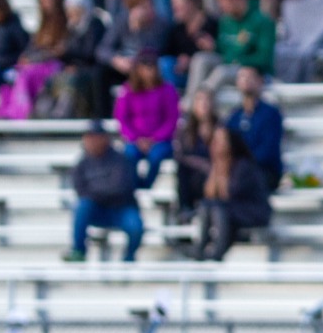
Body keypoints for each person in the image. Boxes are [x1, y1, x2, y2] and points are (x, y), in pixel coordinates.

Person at [64, 121, 142, 263]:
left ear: (105, 138)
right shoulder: (82, 163)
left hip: (121, 208)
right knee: (82, 206)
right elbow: (80, 189)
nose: (91, 142)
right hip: (97, 210)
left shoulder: (121, 159)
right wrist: (101, 193)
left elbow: (121, 188)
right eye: (89, 138)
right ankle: (78, 250)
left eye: (95, 137)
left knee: (135, 226)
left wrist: (95, 193)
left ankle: (129, 257)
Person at [191, 126, 270, 261]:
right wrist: (216, 168)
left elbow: (228, 194)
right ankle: (200, 248)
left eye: (221, 140)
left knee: (218, 209)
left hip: (253, 211)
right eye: (215, 140)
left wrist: (221, 171)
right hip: (233, 210)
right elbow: (209, 195)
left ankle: (218, 252)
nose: (216, 144)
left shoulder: (243, 166)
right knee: (206, 206)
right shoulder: (216, 165)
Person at [0, 0, 67, 120]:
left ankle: (22, 113)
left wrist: (34, 59)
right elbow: (33, 46)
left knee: (26, 74)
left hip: (52, 64)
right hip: (38, 62)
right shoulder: (43, 23)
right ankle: (7, 111)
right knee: (11, 74)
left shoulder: (64, 21)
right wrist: (26, 57)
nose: (44, 0)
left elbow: (59, 49)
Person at [188, 0, 274, 95]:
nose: (221, 6)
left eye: (224, 0)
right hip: (229, 63)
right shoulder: (225, 21)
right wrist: (213, 47)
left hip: (251, 70)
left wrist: (239, 60)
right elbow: (224, 49)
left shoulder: (262, 21)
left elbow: (264, 58)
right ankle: (189, 103)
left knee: (221, 72)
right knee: (200, 59)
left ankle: (202, 102)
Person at [115, 50, 179, 190]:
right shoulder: (128, 90)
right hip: (135, 139)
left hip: (160, 140)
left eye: (152, 66)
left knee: (156, 155)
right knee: (129, 155)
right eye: (145, 66)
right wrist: (135, 138)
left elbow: (171, 119)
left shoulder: (167, 90)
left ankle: (146, 185)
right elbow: (122, 118)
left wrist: (155, 138)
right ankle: (134, 186)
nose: (149, 71)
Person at [226, 65, 284, 190]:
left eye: (250, 77)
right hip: (240, 171)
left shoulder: (271, 114)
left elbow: (268, 149)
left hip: (265, 170)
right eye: (242, 77)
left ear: (260, 81)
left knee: (241, 182)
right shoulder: (234, 116)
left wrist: (244, 165)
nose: (246, 80)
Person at [97, 0, 166, 86]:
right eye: (144, 7)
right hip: (124, 65)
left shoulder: (158, 24)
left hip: (145, 66)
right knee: (100, 71)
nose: (149, 10)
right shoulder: (121, 22)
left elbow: (155, 50)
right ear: (132, 9)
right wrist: (117, 60)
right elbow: (102, 49)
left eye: (150, 6)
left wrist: (139, 30)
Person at [172, 87, 217, 222]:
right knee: (182, 170)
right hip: (194, 177)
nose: (204, 104)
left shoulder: (221, 129)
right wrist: (202, 164)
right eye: (199, 100)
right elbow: (180, 156)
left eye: (207, 100)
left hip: (216, 173)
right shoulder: (185, 131)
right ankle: (185, 210)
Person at [163, 0, 216, 93]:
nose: (174, 7)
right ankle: (171, 99)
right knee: (165, 63)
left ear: (192, 3)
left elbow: (219, 51)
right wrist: (180, 59)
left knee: (199, 61)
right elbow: (167, 51)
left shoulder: (211, 24)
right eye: (173, 3)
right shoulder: (177, 28)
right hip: (181, 73)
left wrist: (212, 48)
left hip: (205, 72)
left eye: (178, 3)